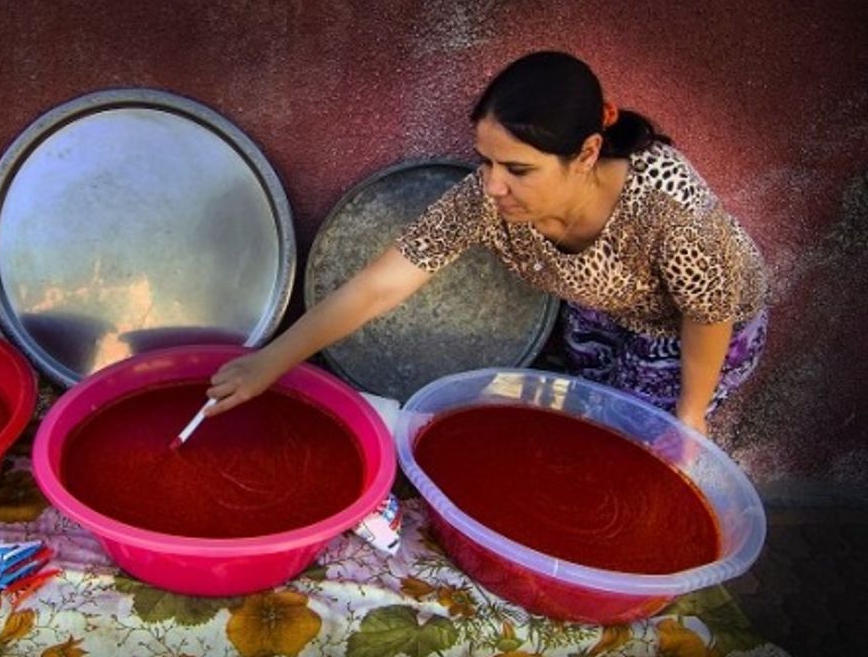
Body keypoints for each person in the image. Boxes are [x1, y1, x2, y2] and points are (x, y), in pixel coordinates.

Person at [205, 50, 768, 436]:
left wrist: (691, 418)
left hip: (696, 329)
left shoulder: (670, 206)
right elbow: (382, 285)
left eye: (518, 169)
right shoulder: (486, 196)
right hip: (605, 306)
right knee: (574, 416)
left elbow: (709, 312)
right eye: (486, 160)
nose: (493, 185)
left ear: (589, 153)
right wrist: (270, 362)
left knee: (635, 440)